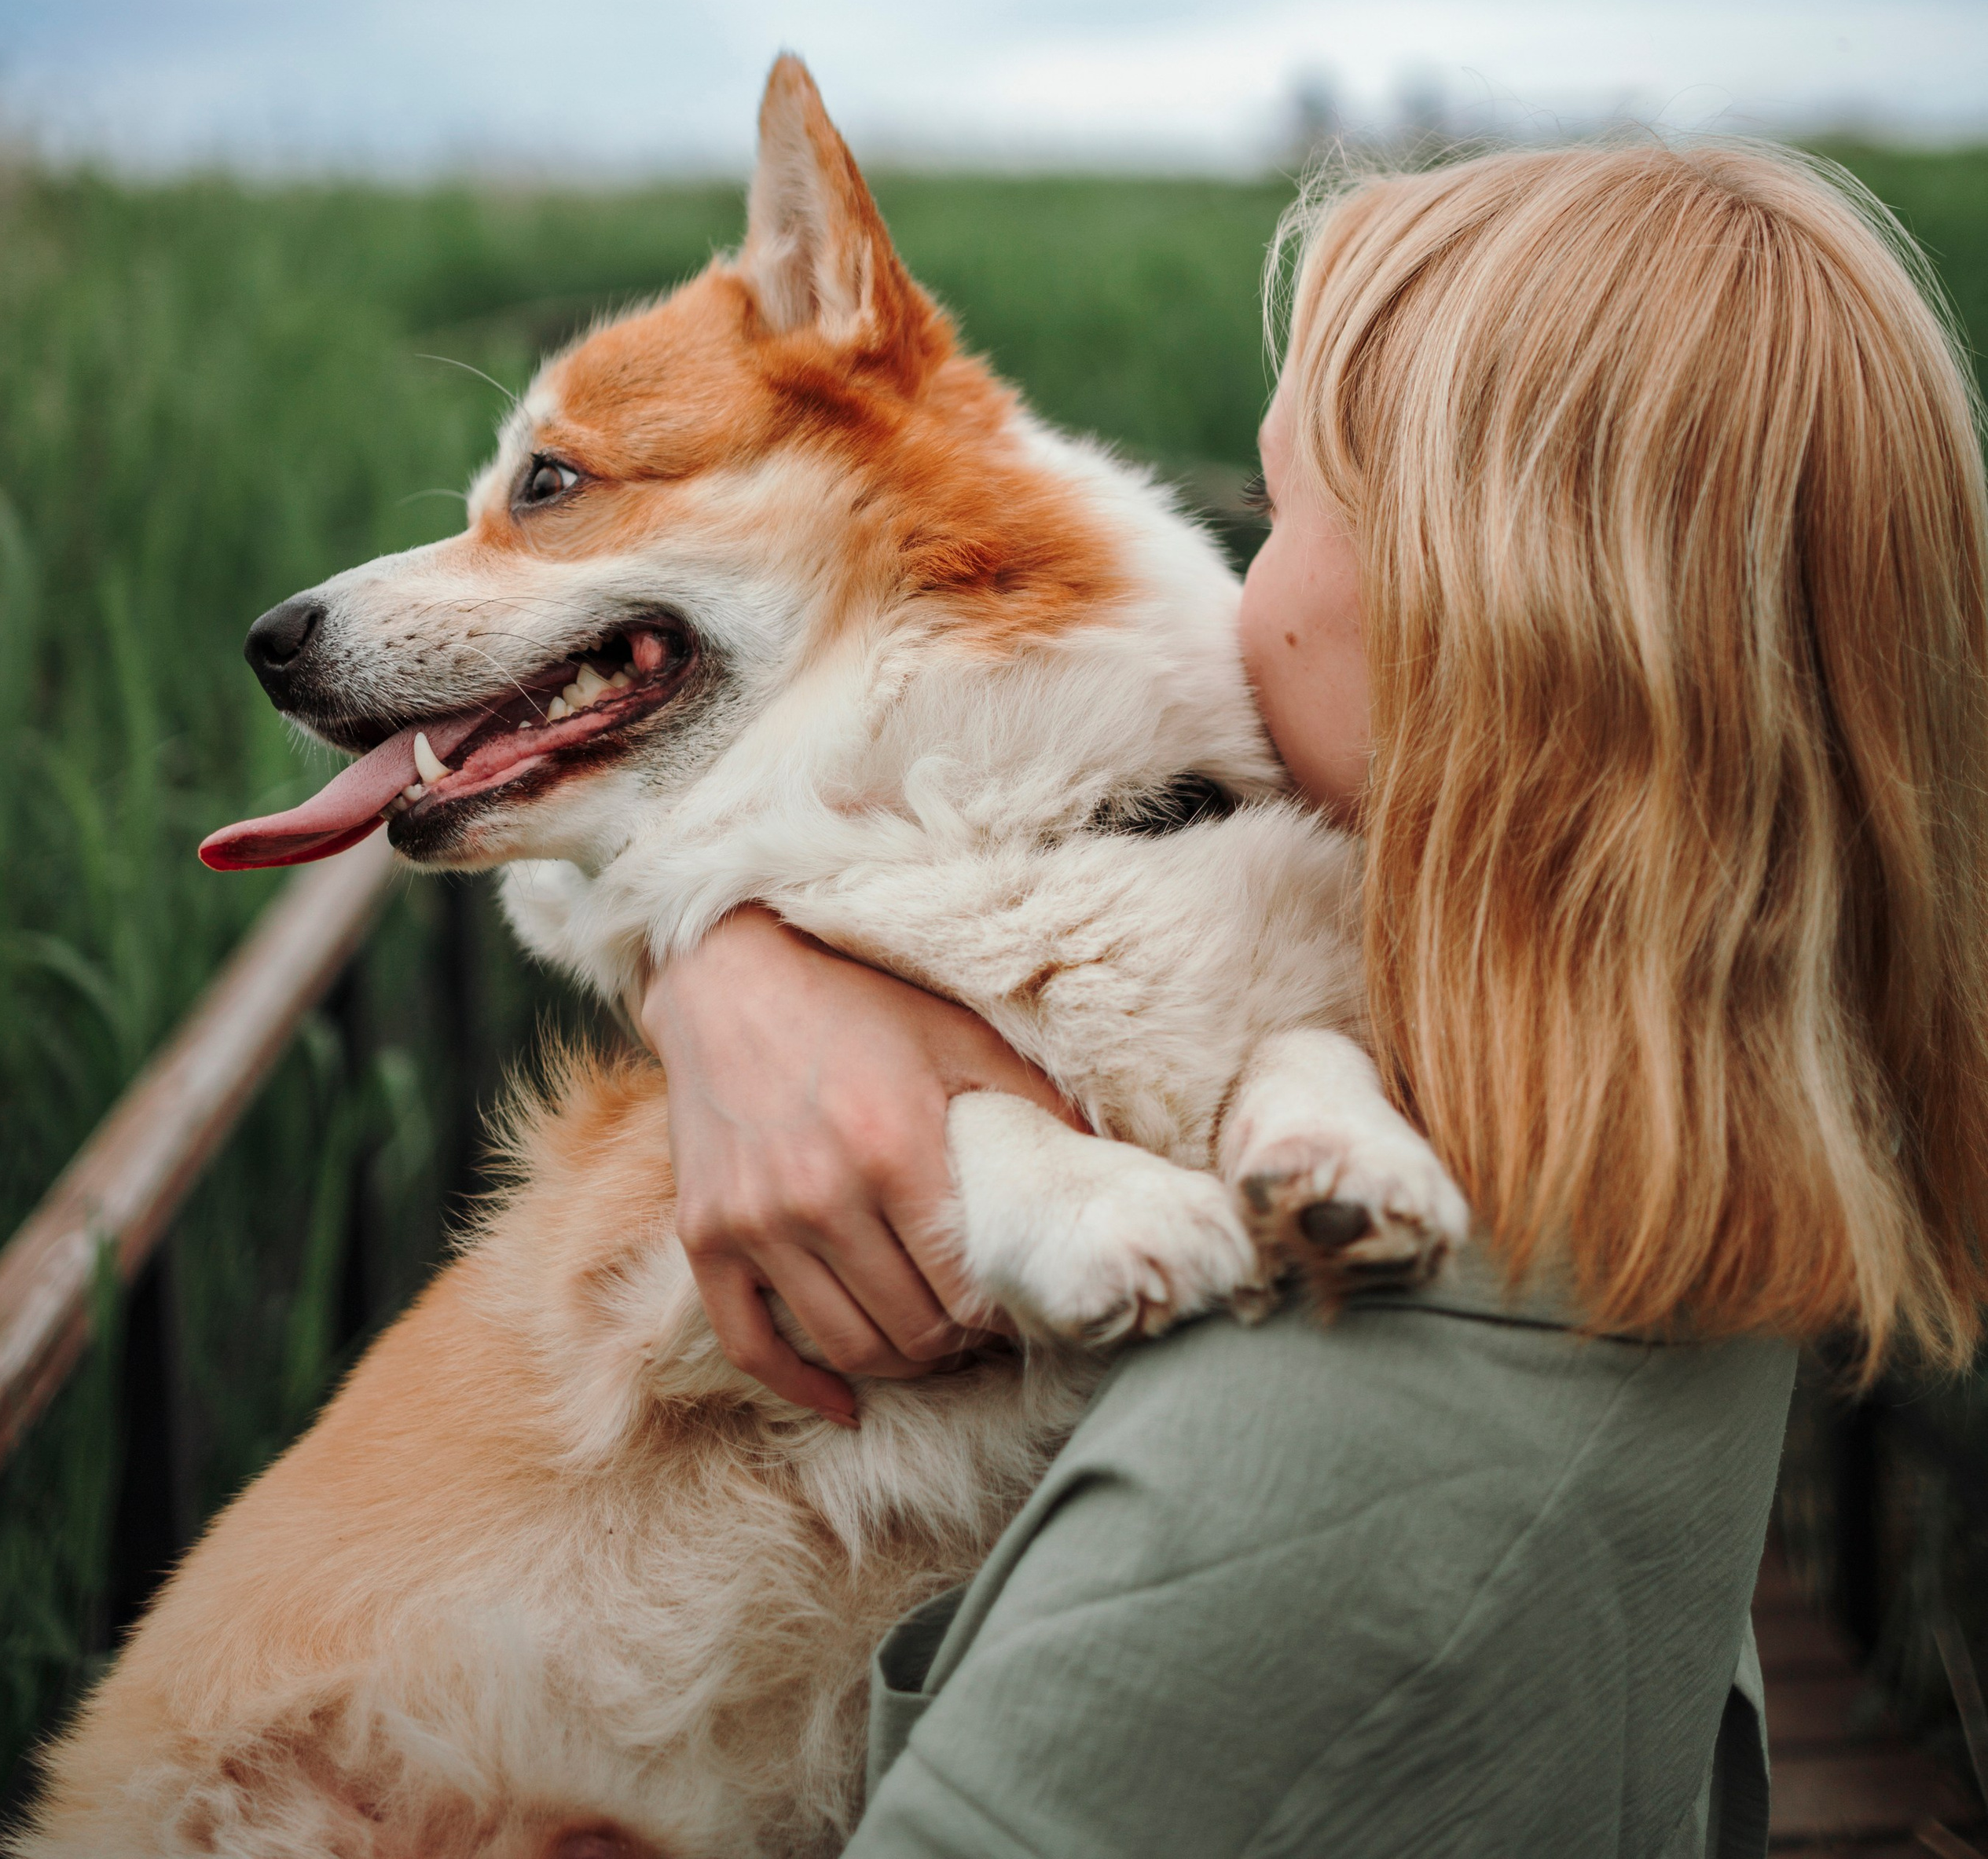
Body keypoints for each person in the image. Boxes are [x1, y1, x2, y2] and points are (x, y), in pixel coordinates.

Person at [639, 142, 1988, 1857]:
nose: (1232, 577)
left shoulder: (1303, 1443)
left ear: (1481, 618)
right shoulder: (1643, 1160)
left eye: (1275, 517)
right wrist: (729, 966)